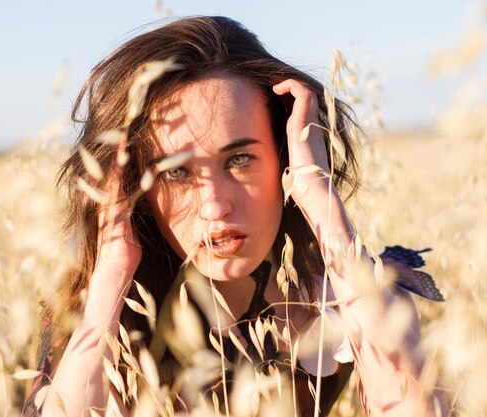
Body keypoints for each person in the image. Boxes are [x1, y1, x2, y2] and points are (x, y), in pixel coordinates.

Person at [23, 16, 449, 417]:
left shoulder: (349, 292)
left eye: (239, 159)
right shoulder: (98, 321)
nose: (214, 205)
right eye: (176, 172)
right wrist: (110, 279)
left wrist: (325, 209)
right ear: (132, 186)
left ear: (286, 153)